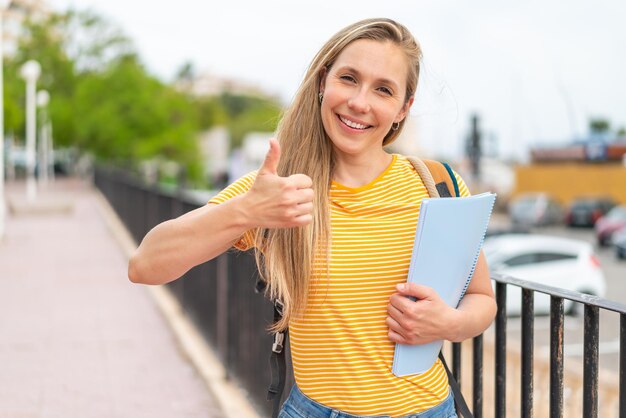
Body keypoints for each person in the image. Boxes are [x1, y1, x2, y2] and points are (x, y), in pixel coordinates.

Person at [129, 18, 496, 418]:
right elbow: (145, 265)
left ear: (402, 109)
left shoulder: (437, 184)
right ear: (323, 82)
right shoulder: (278, 189)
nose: (359, 101)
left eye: (384, 89)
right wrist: (246, 210)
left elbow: (482, 299)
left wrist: (449, 323)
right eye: (349, 78)